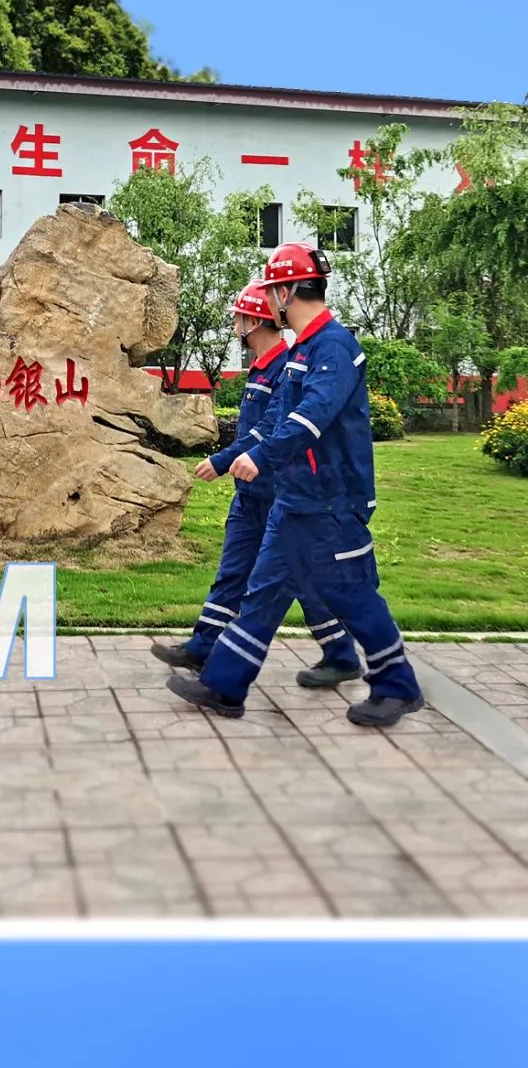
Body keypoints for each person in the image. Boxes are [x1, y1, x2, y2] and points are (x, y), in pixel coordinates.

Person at [166, 242, 424, 729]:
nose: (268, 302)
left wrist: (260, 457)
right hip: (296, 497)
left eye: (271, 292)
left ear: (285, 292)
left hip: (332, 500)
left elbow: (311, 417)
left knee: (351, 593)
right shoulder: (304, 349)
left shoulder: (333, 346)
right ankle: (224, 685)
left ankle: (398, 686)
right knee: (262, 591)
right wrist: (241, 455)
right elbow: (277, 418)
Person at [151, 283, 360, 687]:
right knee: (234, 571)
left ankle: (339, 653)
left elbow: (269, 429)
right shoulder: (262, 368)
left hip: (277, 494)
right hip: (251, 495)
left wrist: (222, 461)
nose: (234, 324)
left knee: (296, 581)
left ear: (252, 321)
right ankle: (204, 645)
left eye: (237, 317)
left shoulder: (287, 367)